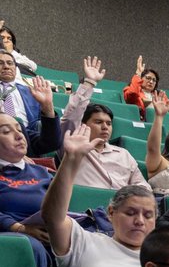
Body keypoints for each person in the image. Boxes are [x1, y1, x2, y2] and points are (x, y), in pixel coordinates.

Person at [43, 126, 169, 267]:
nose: (140, 221)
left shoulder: (165, 254)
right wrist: (70, 160)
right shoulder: (85, 242)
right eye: (131, 213)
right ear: (111, 213)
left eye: (148, 215)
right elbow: (53, 217)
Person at [60, 56, 149, 189]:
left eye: (109, 123)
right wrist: (89, 82)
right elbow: (72, 116)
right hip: (86, 206)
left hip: (121, 206)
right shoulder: (72, 148)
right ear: (83, 125)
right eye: (98, 122)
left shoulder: (124, 154)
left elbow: (143, 186)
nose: (105, 127)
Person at [0, 111, 54, 267]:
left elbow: (62, 206)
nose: (18, 136)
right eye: (6, 131)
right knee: (27, 245)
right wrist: (20, 228)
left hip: (50, 237)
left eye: (19, 130)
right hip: (10, 235)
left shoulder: (43, 172)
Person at [1, 53, 59, 155]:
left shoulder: (31, 92)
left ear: (16, 68)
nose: (6, 66)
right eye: (0, 63)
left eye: (10, 63)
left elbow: (50, 143)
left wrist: (48, 106)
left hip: (25, 136)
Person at [121, 55, 159, 120]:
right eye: (148, 78)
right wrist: (138, 74)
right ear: (141, 78)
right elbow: (133, 93)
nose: (151, 81)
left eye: (154, 80)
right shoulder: (130, 90)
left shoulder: (159, 95)